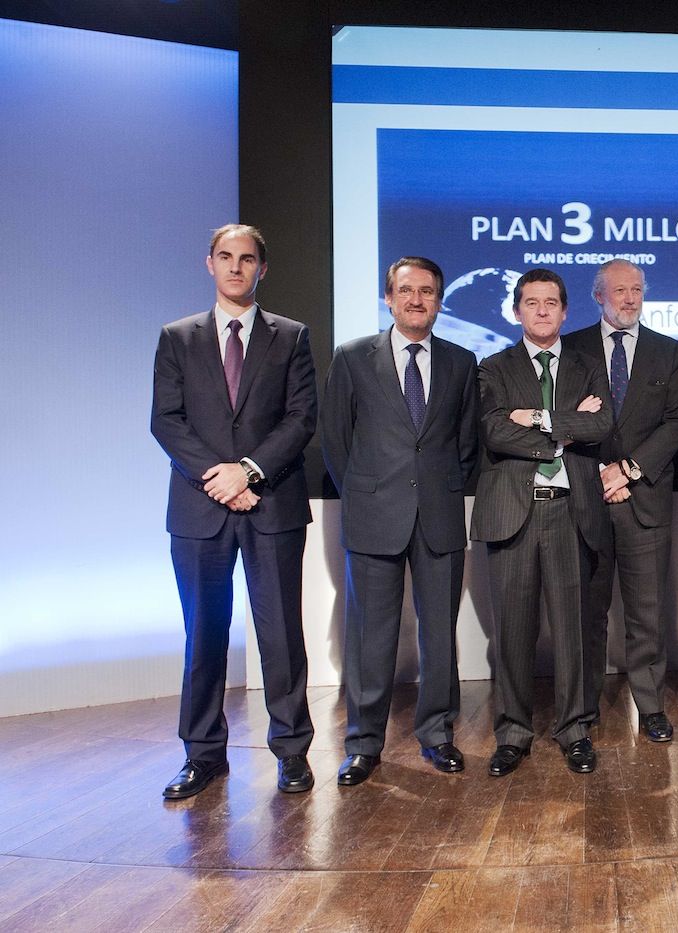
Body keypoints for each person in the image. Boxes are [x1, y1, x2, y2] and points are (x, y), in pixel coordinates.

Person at [151, 223, 317, 799]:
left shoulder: (291, 336)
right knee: (204, 632)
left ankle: (292, 752)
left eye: (247, 259)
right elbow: (166, 420)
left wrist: (248, 471)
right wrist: (220, 479)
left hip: (271, 504)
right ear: (210, 263)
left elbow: (301, 417)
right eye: (226, 256)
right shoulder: (178, 337)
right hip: (200, 508)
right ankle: (202, 755)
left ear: (261, 268)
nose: (236, 267)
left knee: (281, 634)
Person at [321, 256, 479, 786]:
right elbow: (336, 441)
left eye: (427, 291)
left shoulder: (461, 362)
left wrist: (440, 487)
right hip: (373, 515)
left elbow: (466, 443)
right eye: (406, 291)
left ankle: (437, 733)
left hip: (438, 515)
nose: (416, 300)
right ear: (388, 298)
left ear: (439, 301)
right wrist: (366, 493)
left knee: (439, 634)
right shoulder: (352, 358)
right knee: (370, 636)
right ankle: (364, 743)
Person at [471, 268, 613, 776]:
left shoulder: (587, 366)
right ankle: (513, 733)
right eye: (531, 302)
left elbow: (601, 424)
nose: (542, 310)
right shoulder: (493, 367)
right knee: (513, 632)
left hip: (570, 513)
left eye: (551, 302)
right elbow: (493, 431)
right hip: (515, 512)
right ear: (516, 311)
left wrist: (535, 417)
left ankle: (574, 730)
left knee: (573, 631)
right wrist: (563, 433)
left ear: (565, 311)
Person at [563, 259, 678, 742]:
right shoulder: (570, 348)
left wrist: (629, 470)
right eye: (619, 290)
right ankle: (583, 705)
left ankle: (651, 705)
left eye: (636, 289)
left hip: (644, 500)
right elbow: (562, 415)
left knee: (647, 613)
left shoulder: (668, 351)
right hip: (587, 499)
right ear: (599, 296)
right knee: (586, 612)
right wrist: (598, 473)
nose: (630, 299)